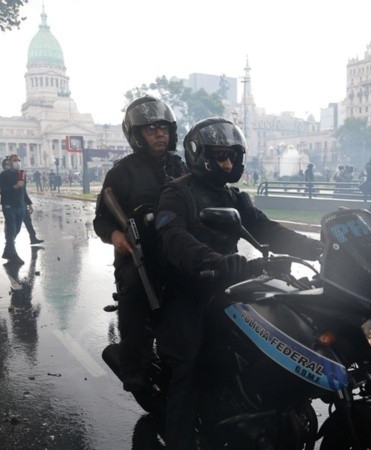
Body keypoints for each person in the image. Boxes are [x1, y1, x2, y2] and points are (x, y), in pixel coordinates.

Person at [154, 117, 323, 449]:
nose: (228, 163)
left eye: (232, 156)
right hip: (189, 288)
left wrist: (318, 247)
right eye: (220, 156)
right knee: (188, 370)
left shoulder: (233, 196)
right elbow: (173, 238)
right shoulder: (177, 192)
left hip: (230, 284)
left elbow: (267, 229)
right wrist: (213, 261)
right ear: (199, 154)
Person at [93, 96, 188, 399]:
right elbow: (101, 220)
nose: (159, 134)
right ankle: (133, 368)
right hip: (138, 256)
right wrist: (116, 237)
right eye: (150, 130)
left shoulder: (182, 166)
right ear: (137, 135)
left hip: (178, 252)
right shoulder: (122, 173)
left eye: (163, 128)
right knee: (134, 295)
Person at [0, 154, 35, 265]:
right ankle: (13, 255)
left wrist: (29, 203)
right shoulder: (4, 175)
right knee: (11, 229)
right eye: (15, 160)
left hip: (21, 206)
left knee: (16, 230)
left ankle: (8, 250)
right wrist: (14, 187)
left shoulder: (22, 175)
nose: (17, 162)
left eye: (19, 160)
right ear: (9, 162)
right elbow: (1, 191)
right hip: (9, 206)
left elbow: (24, 191)